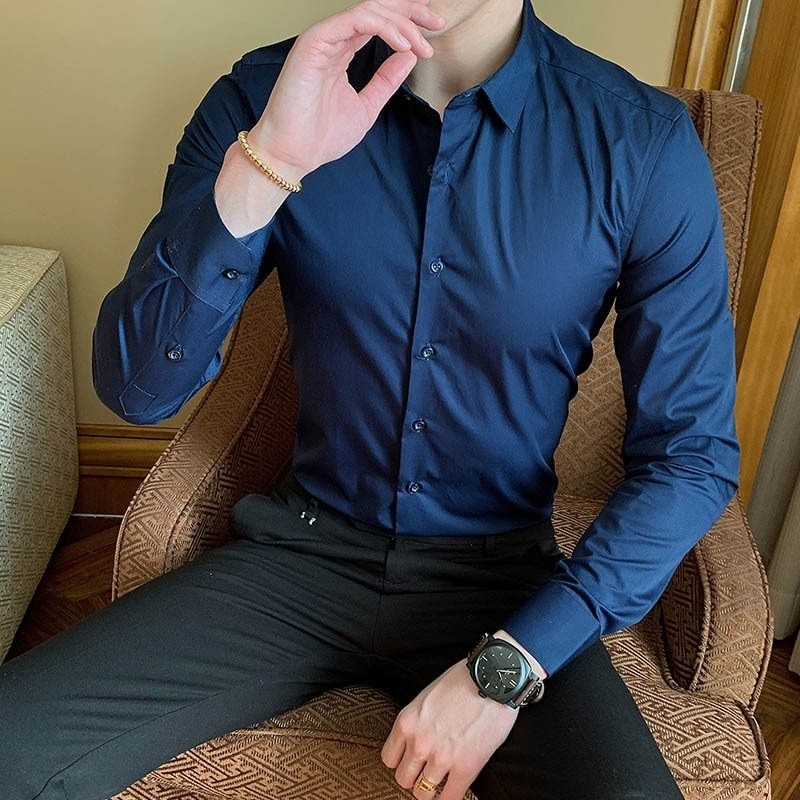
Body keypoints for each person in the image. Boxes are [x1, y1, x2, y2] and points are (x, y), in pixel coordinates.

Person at [0, 0, 739, 798]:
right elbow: (138, 389)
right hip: (298, 557)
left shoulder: (641, 141)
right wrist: (267, 164)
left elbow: (691, 457)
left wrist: (511, 663)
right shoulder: (260, 98)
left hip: (502, 584)